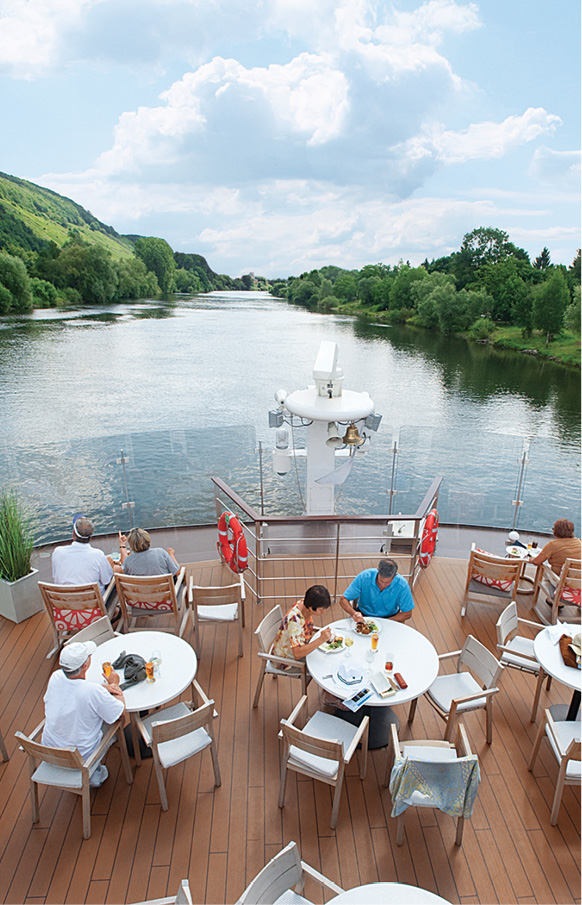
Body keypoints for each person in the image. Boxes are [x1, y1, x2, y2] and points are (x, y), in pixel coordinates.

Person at [42, 641, 125, 786]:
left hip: (50, 752)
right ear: (85, 666)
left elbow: (74, 693)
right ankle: (94, 773)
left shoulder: (56, 677)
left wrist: (101, 689)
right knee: (119, 721)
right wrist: (115, 684)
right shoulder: (92, 691)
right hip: (80, 759)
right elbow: (118, 711)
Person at [52, 515, 117, 593]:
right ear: (91, 537)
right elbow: (106, 581)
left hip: (64, 602)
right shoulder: (98, 555)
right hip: (93, 604)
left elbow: (56, 577)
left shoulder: (58, 552)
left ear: (73, 534)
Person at [340, 558, 414, 623]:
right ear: (377, 571)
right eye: (381, 581)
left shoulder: (402, 585)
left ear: (395, 576)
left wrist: (388, 621)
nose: (383, 585)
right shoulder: (364, 577)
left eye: (387, 582)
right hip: (364, 615)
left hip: (390, 618)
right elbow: (343, 599)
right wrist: (354, 613)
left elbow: (407, 613)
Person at [272, 585, 333, 662]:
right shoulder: (294, 621)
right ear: (311, 608)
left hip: (302, 643)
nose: (323, 612)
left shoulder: (304, 603)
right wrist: (321, 639)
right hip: (287, 660)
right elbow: (297, 654)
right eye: (321, 610)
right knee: (325, 661)